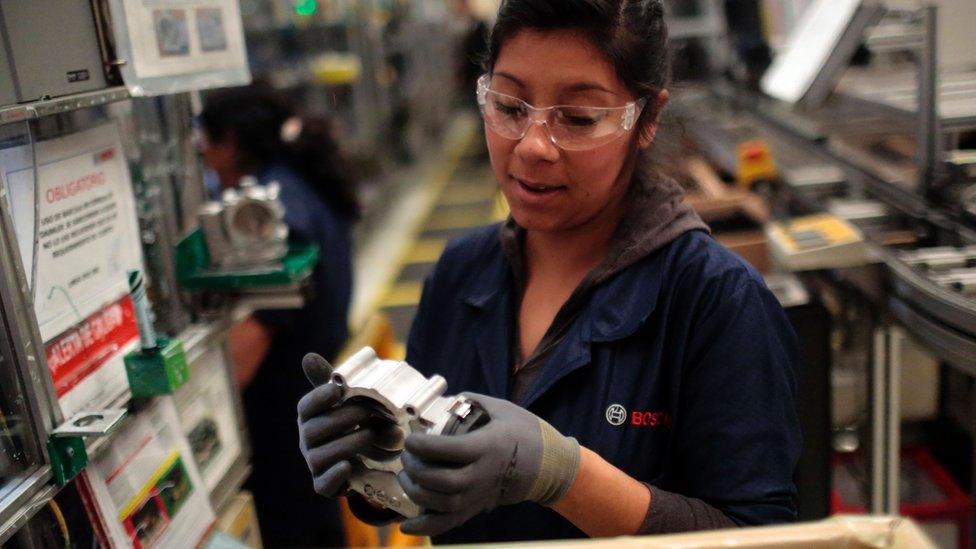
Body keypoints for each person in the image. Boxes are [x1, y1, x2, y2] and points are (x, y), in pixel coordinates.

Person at [297, 0, 801, 544]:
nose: (534, 147)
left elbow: (757, 536)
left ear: (647, 119)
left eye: (580, 118)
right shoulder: (461, 273)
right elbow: (431, 473)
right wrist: (377, 465)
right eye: (511, 108)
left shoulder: (716, 301)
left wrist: (563, 474)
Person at [199, 83, 358, 547]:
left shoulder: (272, 215)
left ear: (230, 140)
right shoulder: (297, 180)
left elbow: (244, 359)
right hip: (315, 394)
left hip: (287, 419)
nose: (206, 159)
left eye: (207, 145)